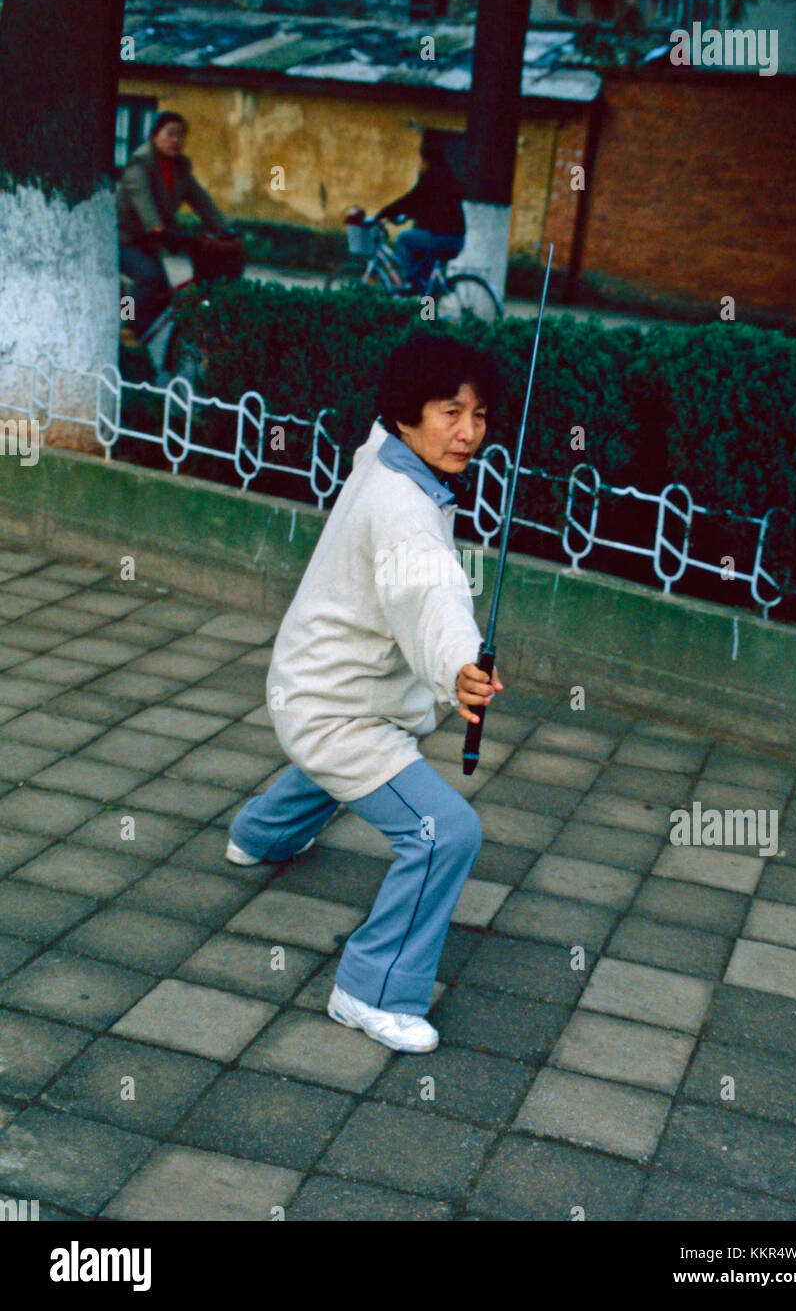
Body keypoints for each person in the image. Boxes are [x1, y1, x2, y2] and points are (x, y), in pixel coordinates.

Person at [225, 332, 504, 1054]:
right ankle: (370, 989)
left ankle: (258, 835)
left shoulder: (384, 454)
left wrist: (450, 664)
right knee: (446, 832)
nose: (469, 432)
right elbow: (432, 596)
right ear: (407, 412)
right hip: (338, 711)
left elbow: (424, 593)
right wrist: (462, 667)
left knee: (349, 767)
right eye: (451, 411)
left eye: (478, 414)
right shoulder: (405, 509)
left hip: (313, 687)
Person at [116, 111, 228, 339]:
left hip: (151, 241)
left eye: (181, 136)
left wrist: (224, 229)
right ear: (154, 135)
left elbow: (200, 200)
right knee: (149, 278)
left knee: (165, 292)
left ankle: (142, 338)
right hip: (123, 239)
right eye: (171, 134)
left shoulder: (179, 167)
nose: (176, 140)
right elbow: (143, 201)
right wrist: (158, 229)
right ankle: (125, 329)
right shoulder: (140, 164)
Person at [375, 130, 466, 295]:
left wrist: (382, 213)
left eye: (421, 161)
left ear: (428, 162)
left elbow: (411, 199)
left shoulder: (431, 179)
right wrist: (406, 215)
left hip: (442, 238)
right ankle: (427, 314)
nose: (418, 164)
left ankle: (409, 280)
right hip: (455, 238)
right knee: (425, 284)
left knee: (403, 239)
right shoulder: (447, 176)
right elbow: (424, 206)